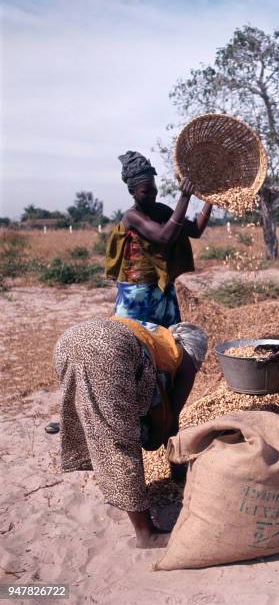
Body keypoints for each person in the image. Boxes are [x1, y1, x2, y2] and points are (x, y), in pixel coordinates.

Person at [53, 317, 207, 548]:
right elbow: (170, 419)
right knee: (120, 440)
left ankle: (119, 492)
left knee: (97, 425)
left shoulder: (157, 336)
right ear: (196, 352)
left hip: (70, 339)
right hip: (107, 348)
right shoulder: (185, 361)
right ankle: (147, 534)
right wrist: (179, 474)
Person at [105, 151, 212, 327]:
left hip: (162, 291)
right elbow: (164, 237)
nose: (152, 194)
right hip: (136, 295)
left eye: (153, 188)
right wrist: (184, 197)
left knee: (167, 345)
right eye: (145, 191)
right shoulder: (132, 216)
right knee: (136, 344)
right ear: (132, 191)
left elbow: (195, 230)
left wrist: (210, 199)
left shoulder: (161, 210)